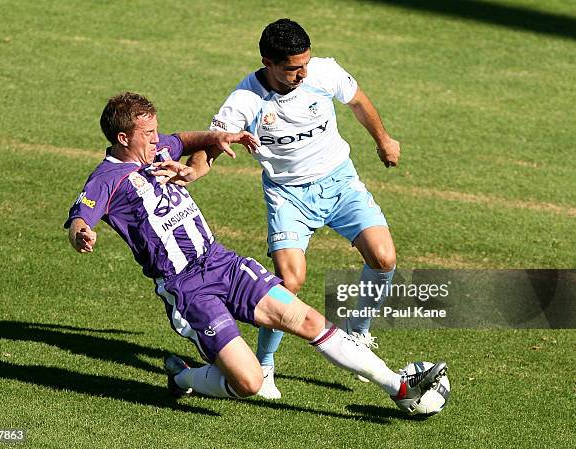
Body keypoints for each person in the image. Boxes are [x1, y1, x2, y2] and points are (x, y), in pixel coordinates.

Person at [65, 92, 445, 413]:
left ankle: (400, 389)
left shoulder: (159, 147)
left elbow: (185, 138)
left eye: (154, 131)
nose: (155, 139)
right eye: (147, 134)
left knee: (310, 321)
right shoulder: (106, 179)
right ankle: (182, 376)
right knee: (249, 382)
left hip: (221, 262)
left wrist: (222, 136)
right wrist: (83, 234)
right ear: (122, 137)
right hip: (187, 288)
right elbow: (81, 216)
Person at [207, 19, 401, 398]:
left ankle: (358, 334)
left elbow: (358, 101)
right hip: (288, 196)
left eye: (305, 64)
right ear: (268, 62)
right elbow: (212, 146)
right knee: (290, 281)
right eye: (292, 68)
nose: (301, 73)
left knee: (383, 258)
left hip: (339, 182)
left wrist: (384, 140)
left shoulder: (322, 73)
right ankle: (264, 365)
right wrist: (190, 169)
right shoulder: (245, 100)